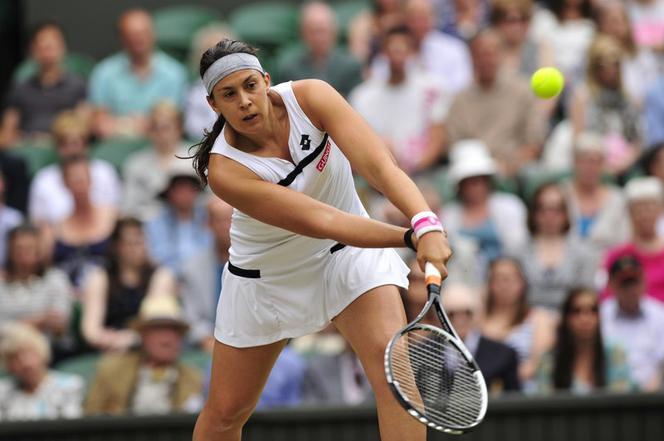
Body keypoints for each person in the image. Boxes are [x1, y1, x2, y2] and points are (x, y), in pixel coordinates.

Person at [190, 39, 451, 441]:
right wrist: (411, 237)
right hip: (267, 280)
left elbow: (380, 166)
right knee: (226, 414)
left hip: (347, 255)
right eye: (229, 94)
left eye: (250, 86)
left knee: (394, 366)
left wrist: (425, 221)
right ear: (214, 105)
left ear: (266, 81)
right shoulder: (224, 171)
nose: (244, 101)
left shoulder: (312, 97)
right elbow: (323, 219)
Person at [444, 29, 545, 179]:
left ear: (502, 55)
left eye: (491, 53)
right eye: (481, 54)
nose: (487, 59)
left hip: (514, 170)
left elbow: (534, 144)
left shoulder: (522, 91)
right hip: (472, 174)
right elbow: (453, 146)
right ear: (471, 58)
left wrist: (509, 166)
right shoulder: (459, 100)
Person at [349, 26, 449, 175]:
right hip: (376, 177)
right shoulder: (363, 95)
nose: (397, 53)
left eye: (403, 48)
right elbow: (355, 145)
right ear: (384, 53)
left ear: (412, 52)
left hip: (420, 174)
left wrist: (409, 171)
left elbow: (437, 140)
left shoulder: (431, 88)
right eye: (392, 48)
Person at [85, 294, 202, 415]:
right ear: (143, 334)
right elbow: (90, 418)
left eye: (173, 330)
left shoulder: (195, 380)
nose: (167, 338)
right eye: (158, 329)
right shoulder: (110, 372)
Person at [80, 217, 178, 353]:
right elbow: (90, 330)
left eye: (141, 242)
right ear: (117, 247)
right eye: (132, 243)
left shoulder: (160, 276)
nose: (139, 248)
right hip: (108, 349)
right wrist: (112, 340)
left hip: (147, 350)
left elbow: (154, 320)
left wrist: (131, 339)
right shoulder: (100, 277)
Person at [89, 8, 187, 139]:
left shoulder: (174, 73)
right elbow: (100, 123)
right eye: (131, 35)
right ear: (122, 39)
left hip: (159, 146)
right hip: (115, 145)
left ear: (153, 34)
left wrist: (122, 125)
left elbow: (172, 122)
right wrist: (138, 126)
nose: (137, 40)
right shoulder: (104, 73)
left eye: (142, 34)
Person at [0, 21, 87, 147]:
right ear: (33, 50)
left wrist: (54, 138)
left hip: (63, 149)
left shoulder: (77, 85)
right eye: (43, 46)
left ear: (63, 48)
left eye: (52, 45)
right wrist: (23, 141)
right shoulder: (20, 88)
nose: (48, 51)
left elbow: (83, 129)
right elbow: (7, 132)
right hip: (27, 149)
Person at [28, 111, 121, 226]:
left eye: (76, 143)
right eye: (65, 144)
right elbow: (38, 224)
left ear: (86, 145)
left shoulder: (105, 172)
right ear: (57, 147)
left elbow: (115, 216)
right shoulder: (43, 180)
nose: (71, 150)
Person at [569, 35, 642, 178]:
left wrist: (623, 163)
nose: (610, 70)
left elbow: (637, 141)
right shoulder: (582, 97)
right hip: (591, 164)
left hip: (625, 166)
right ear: (594, 67)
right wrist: (600, 166)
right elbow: (577, 141)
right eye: (603, 65)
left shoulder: (628, 99)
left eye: (615, 64)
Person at [534, 287, 632, 394]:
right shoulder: (549, 360)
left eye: (592, 311)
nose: (585, 318)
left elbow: (621, 400)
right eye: (577, 311)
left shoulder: (615, 353)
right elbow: (544, 403)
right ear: (566, 318)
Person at [517, 182, 596, 311]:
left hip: (570, 323)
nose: (550, 215)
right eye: (543, 209)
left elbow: (585, 295)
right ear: (534, 213)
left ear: (565, 214)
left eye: (556, 209)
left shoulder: (583, 252)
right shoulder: (518, 251)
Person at [371, 0, 472, 95]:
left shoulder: (454, 49)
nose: (418, 24)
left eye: (423, 18)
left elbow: (461, 87)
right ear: (403, 20)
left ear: (434, 19)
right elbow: (377, 82)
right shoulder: (393, 50)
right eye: (413, 19)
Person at [482, 256, 556, 387]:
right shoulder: (478, 320)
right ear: (489, 284)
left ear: (522, 283)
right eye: (498, 279)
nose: (504, 285)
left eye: (510, 279)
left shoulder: (539, 319)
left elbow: (538, 364)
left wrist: (503, 378)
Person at [440, 282, 521, 393]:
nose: (460, 320)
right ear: (440, 315)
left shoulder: (503, 355)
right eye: (452, 314)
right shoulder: (423, 352)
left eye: (467, 313)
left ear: (477, 314)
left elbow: (514, 401)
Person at [600, 254, 664, 391]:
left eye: (634, 282)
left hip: (655, 396)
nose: (630, 289)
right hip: (608, 395)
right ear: (611, 285)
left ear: (644, 282)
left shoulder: (659, 314)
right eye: (625, 283)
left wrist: (652, 391)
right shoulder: (601, 315)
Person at [122, 101, 192, 221]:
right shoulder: (135, 164)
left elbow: (208, 200)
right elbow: (129, 208)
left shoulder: (196, 158)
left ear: (179, 128)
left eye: (166, 127)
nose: (161, 134)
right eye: (155, 128)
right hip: (147, 227)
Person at [275, 1, 362, 97]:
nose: (318, 38)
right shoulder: (290, 69)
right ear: (302, 33)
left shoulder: (351, 67)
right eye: (312, 31)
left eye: (322, 31)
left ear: (334, 31)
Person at [0, 322, 84, 421]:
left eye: (29, 354)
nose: (25, 363)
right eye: (15, 358)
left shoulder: (70, 385)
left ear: (41, 352)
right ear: (8, 365)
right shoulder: (3, 391)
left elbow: (72, 426)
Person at [600, 177, 664, 304]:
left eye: (650, 207)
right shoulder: (617, 255)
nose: (645, 214)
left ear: (660, 210)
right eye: (639, 208)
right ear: (629, 212)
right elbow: (607, 296)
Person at [180, 197, 233, 351]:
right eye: (220, 220)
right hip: (206, 345)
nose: (226, 226)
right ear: (208, 224)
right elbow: (191, 318)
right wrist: (206, 339)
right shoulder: (192, 267)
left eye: (230, 220)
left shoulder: (256, 262)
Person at [144, 163, 212, 275]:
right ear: (169, 192)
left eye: (190, 188)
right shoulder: (156, 221)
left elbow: (210, 250)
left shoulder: (208, 218)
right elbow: (157, 255)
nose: (184, 194)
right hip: (170, 275)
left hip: (203, 273)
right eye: (179, 189)